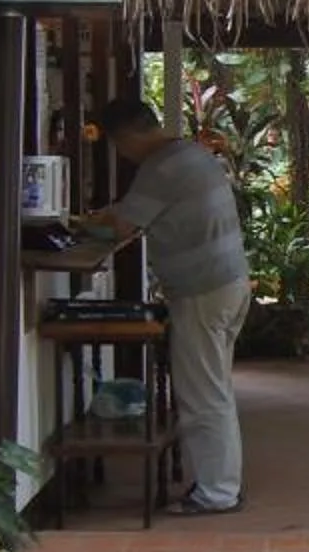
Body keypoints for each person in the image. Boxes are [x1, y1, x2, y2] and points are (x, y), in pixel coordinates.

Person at [82, 99, 249, 514]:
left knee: (202, 396)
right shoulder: (190, 153)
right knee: (215, 390)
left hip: (201, 291)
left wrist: (91, 222)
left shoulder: (160, 168)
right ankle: (223, 484)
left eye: (118, 146)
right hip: (228, 284)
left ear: (127, 137)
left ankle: (216, 494)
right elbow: (141, 213)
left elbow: (123, 227)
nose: (122, 155)